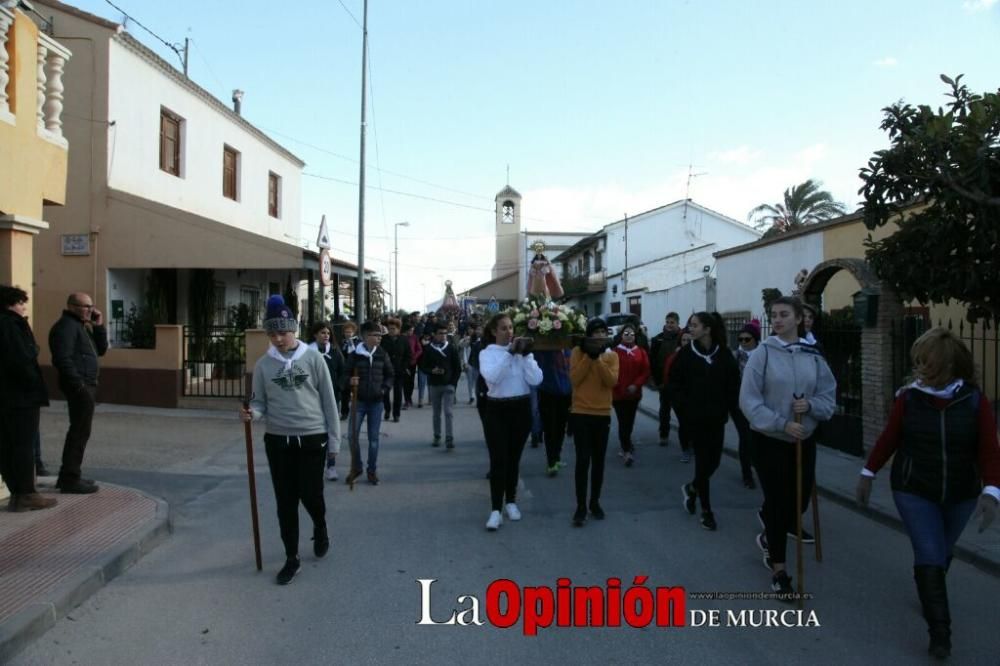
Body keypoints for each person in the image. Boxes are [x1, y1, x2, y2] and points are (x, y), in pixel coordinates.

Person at [855, 327, 999, 659]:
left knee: (941, 552)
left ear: (948, 364)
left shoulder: (975, 401)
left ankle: (927, 582)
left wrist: (992, 492)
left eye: (927, 362)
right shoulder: (909, 398)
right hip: (914, 489)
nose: (921, 369)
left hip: (961, 492)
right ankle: (940, 633)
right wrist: (868, 472)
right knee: (931, 551)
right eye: (918, 362)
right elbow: (889, 438)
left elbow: (990, 450)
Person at [739, 296, 836, 596]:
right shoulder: (762, 354)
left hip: (804, 440)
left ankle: (771, 532)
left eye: (784, 314)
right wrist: (781, 423)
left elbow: (828, 395)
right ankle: (779, 570)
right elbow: (749, 401)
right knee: (780, 505)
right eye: (774, 315)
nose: (777, 320)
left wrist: (811, 406)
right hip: (770, 440)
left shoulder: (813, 354)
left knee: (799, 501)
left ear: (798, 318)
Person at [240, 296, 340, 585]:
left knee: (311, 494)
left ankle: (320, 527)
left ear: (293, 329)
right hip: (278, 440)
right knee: (285, 501)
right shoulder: (263, 365)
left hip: (312, 437)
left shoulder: (313, 358)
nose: (277, 338)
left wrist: (334, 443)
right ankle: (292, 557)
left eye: (282, 332)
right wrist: (252, 413)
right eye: (272, 333)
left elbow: (329, 402)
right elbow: (260, 403)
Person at [669, 313, 740, 531]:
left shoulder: (724, 354)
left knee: (715, 461)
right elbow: (674, 383)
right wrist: (684, 408)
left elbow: (733, 384)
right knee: (702, 461)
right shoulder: (686, 354)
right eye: (690, 325)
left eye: (695, 325)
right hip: (695, 418)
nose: (690, 328)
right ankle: (706, 511)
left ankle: (692, 488)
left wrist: (731, 409)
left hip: (717, 418)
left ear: (707, 329)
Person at [479, 312, 543, 530]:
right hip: (497, 409)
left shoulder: (522, 355)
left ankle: (511, 501)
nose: (509, 332)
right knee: (499, 460)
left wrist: (525, 357)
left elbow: (536, 380)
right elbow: (493, 378)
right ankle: (495, 509)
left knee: (514, 459)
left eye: (511, 328)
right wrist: (509, 354)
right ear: (494, 332)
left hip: (520, 408)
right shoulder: (487, 354)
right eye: (504, 328)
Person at [0, 286, 57, 512]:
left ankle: (16, 493)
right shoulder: (13, 324)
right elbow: (22, 359)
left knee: (6, 445)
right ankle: (26, 494)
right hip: (21, 397)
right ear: (10, 303)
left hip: (4, 397)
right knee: (24, 445)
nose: (24, 307)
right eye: (21, 302)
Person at [49, 292, 108, 494]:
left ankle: (69, 475)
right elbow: (62, 359)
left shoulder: (82, 327)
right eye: (86, 307)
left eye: (91, 307)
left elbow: (101, 350)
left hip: (87, 384)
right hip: (80, 386)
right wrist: (79, 386)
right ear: (72, 306)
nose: (90, 311)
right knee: (79, 431)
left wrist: (98, 326)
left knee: (81, 431)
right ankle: (69, 479)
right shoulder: (66, 327)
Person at [569, 318, 619, 527]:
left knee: (599, 461)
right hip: (581, 412)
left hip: (602, 414)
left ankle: (594, 502)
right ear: (588, 335)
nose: (599, 336)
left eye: (602, 332)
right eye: (595, 332)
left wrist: (597, 359)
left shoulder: (613, 356)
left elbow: (611, 381)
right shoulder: (577, 353)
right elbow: (574, 379)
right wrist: (589, 357)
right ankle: (580, 506)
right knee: (583, 460)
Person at [344, 321, 394, 485]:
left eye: (380, 335)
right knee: (352, 437)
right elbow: (343, 376)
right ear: (366, 336)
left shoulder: (382, 353)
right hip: (358, 401)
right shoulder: (354, 355)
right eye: (375, 335)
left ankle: (371, 470)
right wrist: (350, 380)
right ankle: (356, 467)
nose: (379, 338)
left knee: (373, 439)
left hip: (376, 402)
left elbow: (390, 375)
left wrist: (384, 390)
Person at [308, 321, 346, 482]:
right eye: (322, 333)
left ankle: (331, 466)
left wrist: (339, 387)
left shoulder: (336, 352)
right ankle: (314, 465)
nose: (326, 336)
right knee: (315, 431)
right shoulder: (307, 353)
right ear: (315, 334)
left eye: (328, 333)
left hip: (332, 398)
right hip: (312, 399)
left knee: (332, 430)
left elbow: (343, 372)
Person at [612, 323, 651, 467]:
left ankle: (627, 443)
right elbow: (611, 372)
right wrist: (619, 387)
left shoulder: (641, 352)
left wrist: (636, 385)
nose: (629, 336)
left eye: (632, 334)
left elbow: (645, 371)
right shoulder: (614, 352)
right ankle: (626, 450)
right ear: (621, 335)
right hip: (618, 395)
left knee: (630, 422)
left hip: (634, 395)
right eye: (626, 333)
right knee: (623, 422)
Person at [420, 321, 463, 448]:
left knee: (448, 411)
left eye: (445, 333)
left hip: (448, 384)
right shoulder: (428, 349)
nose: (443, 335)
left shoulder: (451, 348)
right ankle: (437, 436)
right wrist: (431, 371)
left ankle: (449, 438)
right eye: (440, 333)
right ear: (434, 334)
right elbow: (422, 365)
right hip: (434, 384)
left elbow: (457, 368)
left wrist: (453, 384)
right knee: (436, 413)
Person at [732, 320, 761, 489]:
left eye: (747, 339)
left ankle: (756, 463)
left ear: (755, 339)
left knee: (757, 438)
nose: (743, 342)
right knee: (745, 438)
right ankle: (747, 474)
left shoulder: (763, 355)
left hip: (759, 403)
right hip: (740, 404)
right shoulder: (735, 356)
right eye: (741, 339)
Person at [535, 348, 572, 476]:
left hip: (566, 392)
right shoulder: (545, 349)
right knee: (550, 427)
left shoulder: (569, 350)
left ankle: (556, 456)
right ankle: (551, 462)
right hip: (547, 392)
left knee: (561, 426)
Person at [650, 312, 682, 446]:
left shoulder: (683, 338)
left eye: (672, 322)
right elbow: (653, 361)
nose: (669, 325)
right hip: (664, 382)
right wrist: (657, 381)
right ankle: (664, 435)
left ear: (677, 323)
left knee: (682, 412)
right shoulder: (658, 339)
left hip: (680, 384)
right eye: (668, 322)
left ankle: (687, 438)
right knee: (664, 410)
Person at [663, 328, 694, 462]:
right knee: (684, 423)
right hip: (679, 398)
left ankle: (692, 445)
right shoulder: (674, 357)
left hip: (694, 397)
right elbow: (667, 377)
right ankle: (685, 449)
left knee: (693, 423)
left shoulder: (697, 355)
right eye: (684, 340)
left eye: (689, 340)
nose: (686, 342)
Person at [380, 317, 410, 423]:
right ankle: (387, 410)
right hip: (386, 371)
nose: (391, 330)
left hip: (399, 370)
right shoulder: (383, 339)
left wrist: (404, 367)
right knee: (385, 392)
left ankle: (396, 414)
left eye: (393, 328)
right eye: (390, 328)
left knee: (398, 393)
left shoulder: (404, 340)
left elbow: (408, 355)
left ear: (398, 329)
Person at [338, 321, 361, 420]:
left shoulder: (358, 342)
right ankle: (344, 412)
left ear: (354, 332)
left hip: (355, 370)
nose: (348, 334)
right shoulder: (341, 342)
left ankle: (358, 412)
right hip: (345, 370)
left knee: (357, 392)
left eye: (350, 332)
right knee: (345, 393)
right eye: (346, 332)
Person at [402, 322, 422, 409]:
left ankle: (409, 398)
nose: (411, 332)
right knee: (405, 382)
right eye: (410, 330)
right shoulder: (402, 338)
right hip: (403, 363)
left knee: (411, 382)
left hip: (412, 363)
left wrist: (414, 356)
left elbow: (419, 349)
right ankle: (407, 400)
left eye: (412, 330)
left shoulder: (414, 338)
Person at [415, 332, 431, 407]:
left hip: (430, 366)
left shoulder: (432, 342)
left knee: (430, 384)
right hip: (422, 365)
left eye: (428, 335)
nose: (427, 336)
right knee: (421, 384)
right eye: (425, 335)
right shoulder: (419, 342)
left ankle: (431, 399)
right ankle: (420, 400)